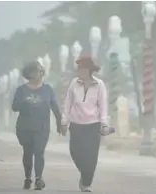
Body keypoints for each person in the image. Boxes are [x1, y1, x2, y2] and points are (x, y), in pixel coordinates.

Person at [60, 55, 110, 192]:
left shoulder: (99, 85)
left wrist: (104, 123)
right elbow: (68, 104)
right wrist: (64, 121)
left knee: (91, 156)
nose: (80, 72)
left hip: (93, 125)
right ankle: (85, 173)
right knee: (75, 152)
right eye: (79, 69)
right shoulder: (74, 83)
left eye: (82, 69)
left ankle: (86, 183)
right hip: (76, 125)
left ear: (89, 70)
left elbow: (103, 106)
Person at [12, 61, 61, 190]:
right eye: (37, 70)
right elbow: (14, 107)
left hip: (42, 127)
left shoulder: (47, 89)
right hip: (24, 128)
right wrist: (24, 102)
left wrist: (59, 122)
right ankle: (28, 178)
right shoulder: (21, 90)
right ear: (30, 73)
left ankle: (39, 179)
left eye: (41, 70)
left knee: (39, 152)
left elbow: (54, 106)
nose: (40, 73)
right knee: (28, 153)